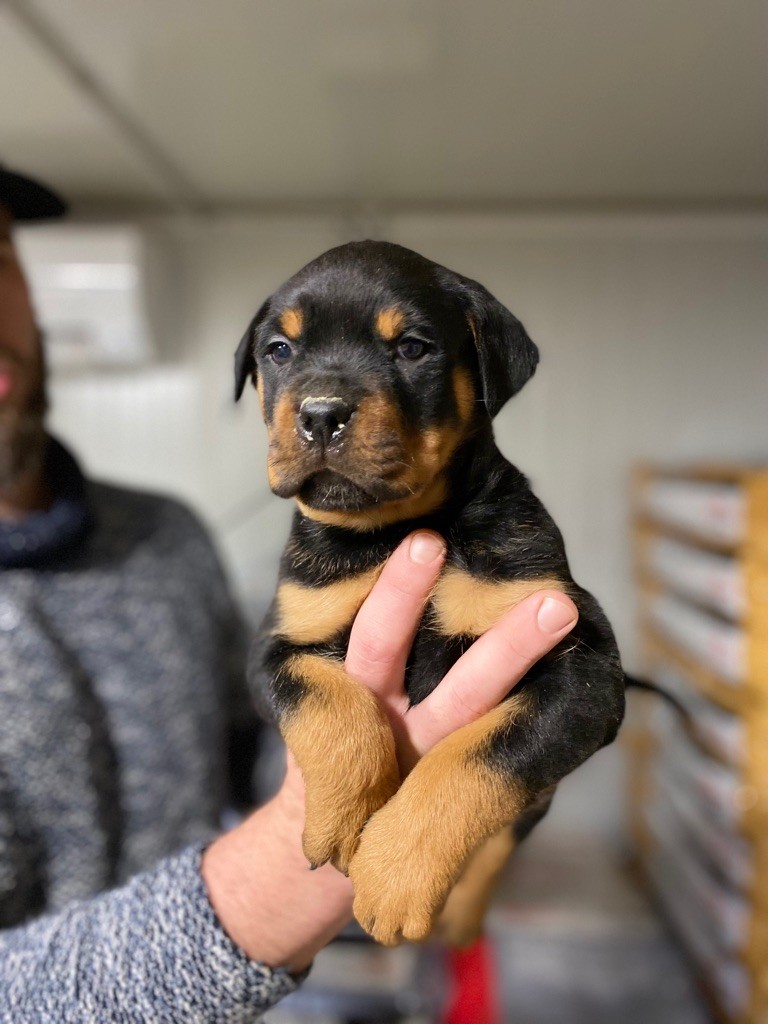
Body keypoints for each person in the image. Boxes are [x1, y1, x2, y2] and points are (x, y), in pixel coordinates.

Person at [0, 163, 579, 1022]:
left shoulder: (165, 537)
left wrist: (462, 757)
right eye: (284, 354)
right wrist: (268, 894)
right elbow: (305, 823)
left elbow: (251, 750)